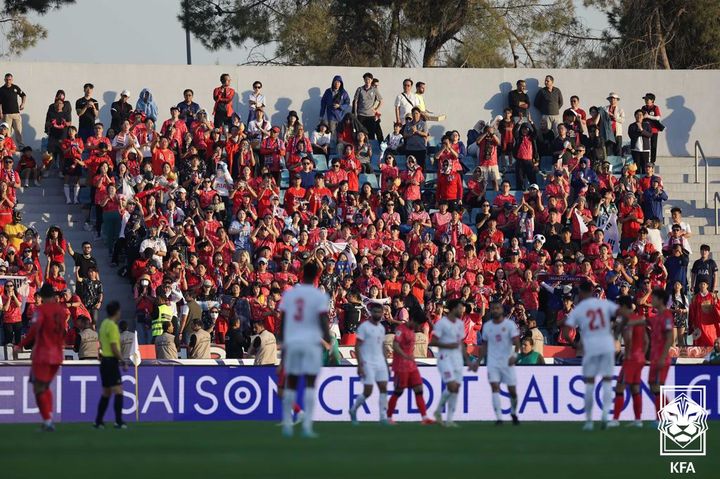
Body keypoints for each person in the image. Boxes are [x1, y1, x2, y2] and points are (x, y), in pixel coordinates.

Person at [278, 261, 331, 438]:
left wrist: (283, 344)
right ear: (316, 275)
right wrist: (328, 341)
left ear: (301, 274)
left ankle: (287, 426)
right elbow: (323, 320)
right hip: (310, 343)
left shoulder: (290, 295)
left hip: (293, 341)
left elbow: (284, 321)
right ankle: (307, 427)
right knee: (309, 384)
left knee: (290, 383)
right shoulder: (318, 296)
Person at [563, 280, 624, 431]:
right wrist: (615, 334)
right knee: (607, 383)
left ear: (581, 293)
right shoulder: (604, 304)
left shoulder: (579, 309)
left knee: (590, 384)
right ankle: (605, 416)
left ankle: (589, 421)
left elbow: (565, 331)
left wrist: (574, 343)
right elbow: (623, 316)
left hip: (590, 349)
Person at [14, 284, 67, 431]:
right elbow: (63, 332)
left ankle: (48, 420)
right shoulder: (62, 311)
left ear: (43, 296)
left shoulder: (41, 310)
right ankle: (48, 419)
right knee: (45, 386)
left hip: (43, 354)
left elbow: (34, 330)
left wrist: (20, 344)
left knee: (38, 388)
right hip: (57, 355)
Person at [431, 299, 478, 427]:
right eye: (459, 308)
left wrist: (467, 360)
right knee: (452, 386)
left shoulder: (460, 324)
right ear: (452, 309)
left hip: (457, 359)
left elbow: (460, 344)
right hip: (444, 359)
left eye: (462, 308)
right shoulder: (442, 323)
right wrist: (447, 344)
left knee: (455, 388)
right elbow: (433, 342)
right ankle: (438, 411)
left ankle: (449, 419)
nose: (462, 310)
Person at [386, 311, 435, 425]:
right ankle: (388, 418)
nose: (419, 327)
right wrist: (405, 356)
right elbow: (395, 345)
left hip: (411, 366)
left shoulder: (412, 331)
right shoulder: (400, 330)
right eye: (419, 324)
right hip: (401, 366)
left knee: (419, 389)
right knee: (398, 391)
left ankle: (424, 418)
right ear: (413, 321)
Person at [479, 301, 520, 425]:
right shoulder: (487, 326)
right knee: (495, 388)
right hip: (493, 363)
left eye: (497, 308)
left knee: (512, 390)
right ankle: (499, 418)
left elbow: (517, 342)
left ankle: (513, 412)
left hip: (507, 362)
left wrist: (515, 355)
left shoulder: (510, 325)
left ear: (502, 309)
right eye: (493, 309)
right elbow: (484, 345)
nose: (495, 310)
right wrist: (478, 361)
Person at [349, 302, 390, 425]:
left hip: (380, 362)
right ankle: (353, 410)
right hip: (367, 362)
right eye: (375, 312)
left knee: (383, 388)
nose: (377, 314)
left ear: (383, 313)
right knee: (368, 391)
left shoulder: (381, 328)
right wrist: (359, 364)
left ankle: (383, 417)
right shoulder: (364, 327)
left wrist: (386, 363)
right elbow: (357, 346)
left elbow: (382, 345)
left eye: (380, 312)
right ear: (371, 313)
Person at [608, 296, 646, 428]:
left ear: (624, 307)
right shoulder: (637, 319)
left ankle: (615, 419)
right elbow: (646, 340)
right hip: (639, 358)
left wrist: (628, 353)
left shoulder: (628, 321)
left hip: (631, 359)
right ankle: (638, 420)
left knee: (620, 387)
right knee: (635, 388)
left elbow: (628, 337)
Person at [93, 301, 127, 429]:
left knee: (106, 393)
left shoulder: (103, 324)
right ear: (117, 312)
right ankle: (118, 421)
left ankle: (98, 421)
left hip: (104, 362)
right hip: (111, 361)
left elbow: (102, 343)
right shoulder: (112, 326)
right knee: (118, 391)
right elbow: (114, 347)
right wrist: (122, 360)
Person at [647, 288, 674, 421]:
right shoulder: (656, 317)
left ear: (660, 300)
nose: (651, 300)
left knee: (657, 386)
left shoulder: (667, 316)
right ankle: (670, 415)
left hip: (662, 357)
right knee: (652, 384)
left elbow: (670, 338)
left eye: (653, 298)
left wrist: (663, 357)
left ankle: (661, 419)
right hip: (654, 356)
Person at [352, 72, 383, 141]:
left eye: (369, 79)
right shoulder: (359, 89)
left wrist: (376, 109)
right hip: (361, 114)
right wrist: (355, 113)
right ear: (364, 80)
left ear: (371, 80)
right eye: (366, 79)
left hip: (370, 116)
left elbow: (381, 101)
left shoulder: (374, 90)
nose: (367, 81)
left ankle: (370, 150)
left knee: (371, 134)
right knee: (360, 134)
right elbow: (356, 102)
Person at [0, 73, 26, 148]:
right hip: (6, 114)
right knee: (7, 132)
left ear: (12, 80)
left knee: (18, 130)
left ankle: (21, 146)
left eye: (10, 79)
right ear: (4, 80)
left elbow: (23, 95)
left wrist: (23, 104)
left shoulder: (15, 88)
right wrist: (0, 112)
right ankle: (7, 146)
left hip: (16, 114)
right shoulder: (1, 90)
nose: (8, 81)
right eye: (7, 79)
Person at [641, 93, 662, 164]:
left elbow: (658, 117)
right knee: (645, 145)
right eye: (645, 99)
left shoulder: (655, 107)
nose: (646, 101)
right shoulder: (643, 108)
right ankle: (645, 160)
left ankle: (652, 161)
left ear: (652, 100)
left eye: (647, 99)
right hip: (645, 130)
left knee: (653, 146)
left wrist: (648, 116)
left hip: (654, 130)